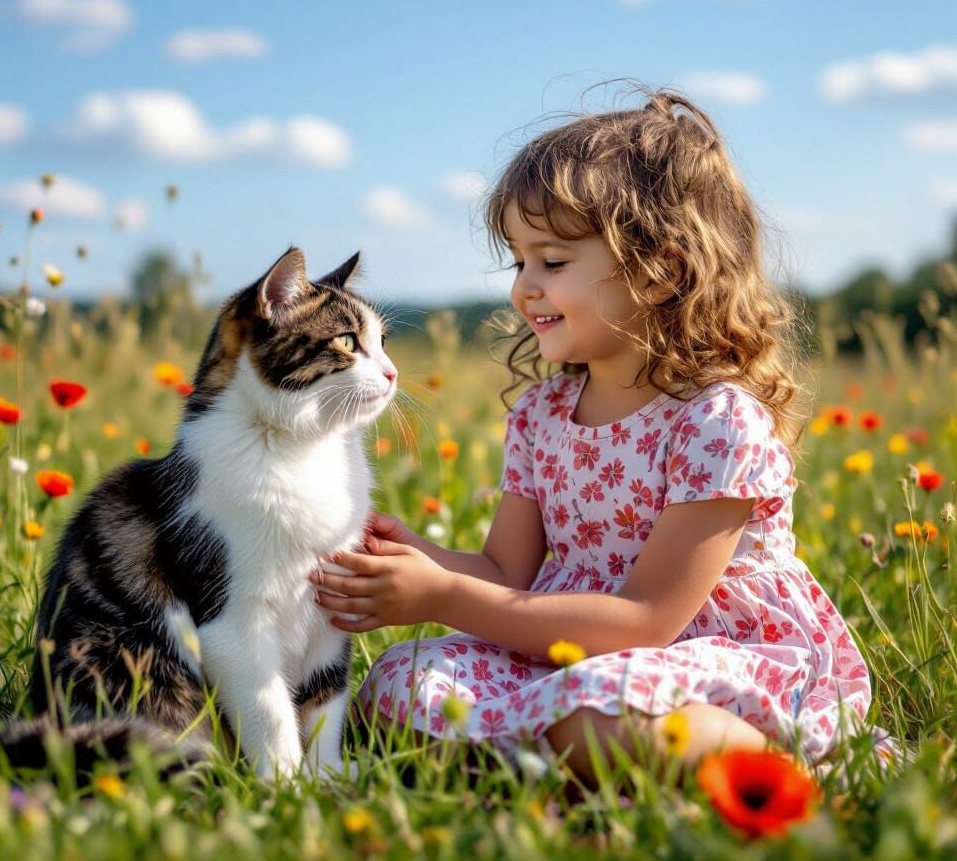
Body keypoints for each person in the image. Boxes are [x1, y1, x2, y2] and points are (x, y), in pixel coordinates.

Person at [308, 86, 898, 785]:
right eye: (518, 261)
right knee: (400, 686)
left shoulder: (717, 420)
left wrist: (441, 598)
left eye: (553, 262)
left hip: (703, 654)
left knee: (605, 717)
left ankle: (774, 762)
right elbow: (504, 575)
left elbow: (649, 620)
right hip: (565, 646)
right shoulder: (543, 414)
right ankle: (550, 756)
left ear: (662, 271)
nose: (524, 288)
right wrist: (422, 559)